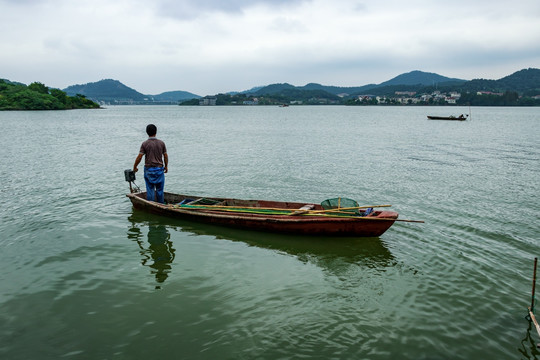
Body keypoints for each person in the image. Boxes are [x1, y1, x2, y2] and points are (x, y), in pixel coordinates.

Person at [133, 124, 168, 203]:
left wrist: (135, 167)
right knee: (160, 190)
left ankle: (151, 204)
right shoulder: (161, 143)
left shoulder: (145, 144)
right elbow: (165, 156)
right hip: (159, 169)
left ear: (147, 132)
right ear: (156, 132)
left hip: (149, 170)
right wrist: (166, 166)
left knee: (150, 189)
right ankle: (160, 204)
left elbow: (139, 157)